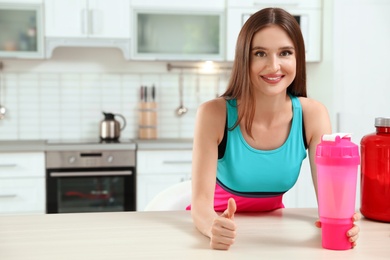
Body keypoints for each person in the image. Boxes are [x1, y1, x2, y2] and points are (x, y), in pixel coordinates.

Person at [189, 7, 360, 250]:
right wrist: (212, 227)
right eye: (260, 53)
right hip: (214, 228)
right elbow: (200, 205)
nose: (274, 66)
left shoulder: (312, 115)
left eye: (285, 53)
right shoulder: (213, 114)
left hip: (275, 226)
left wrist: (345, 222)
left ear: (297, 58)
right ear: (244, 59)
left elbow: (329, 203)